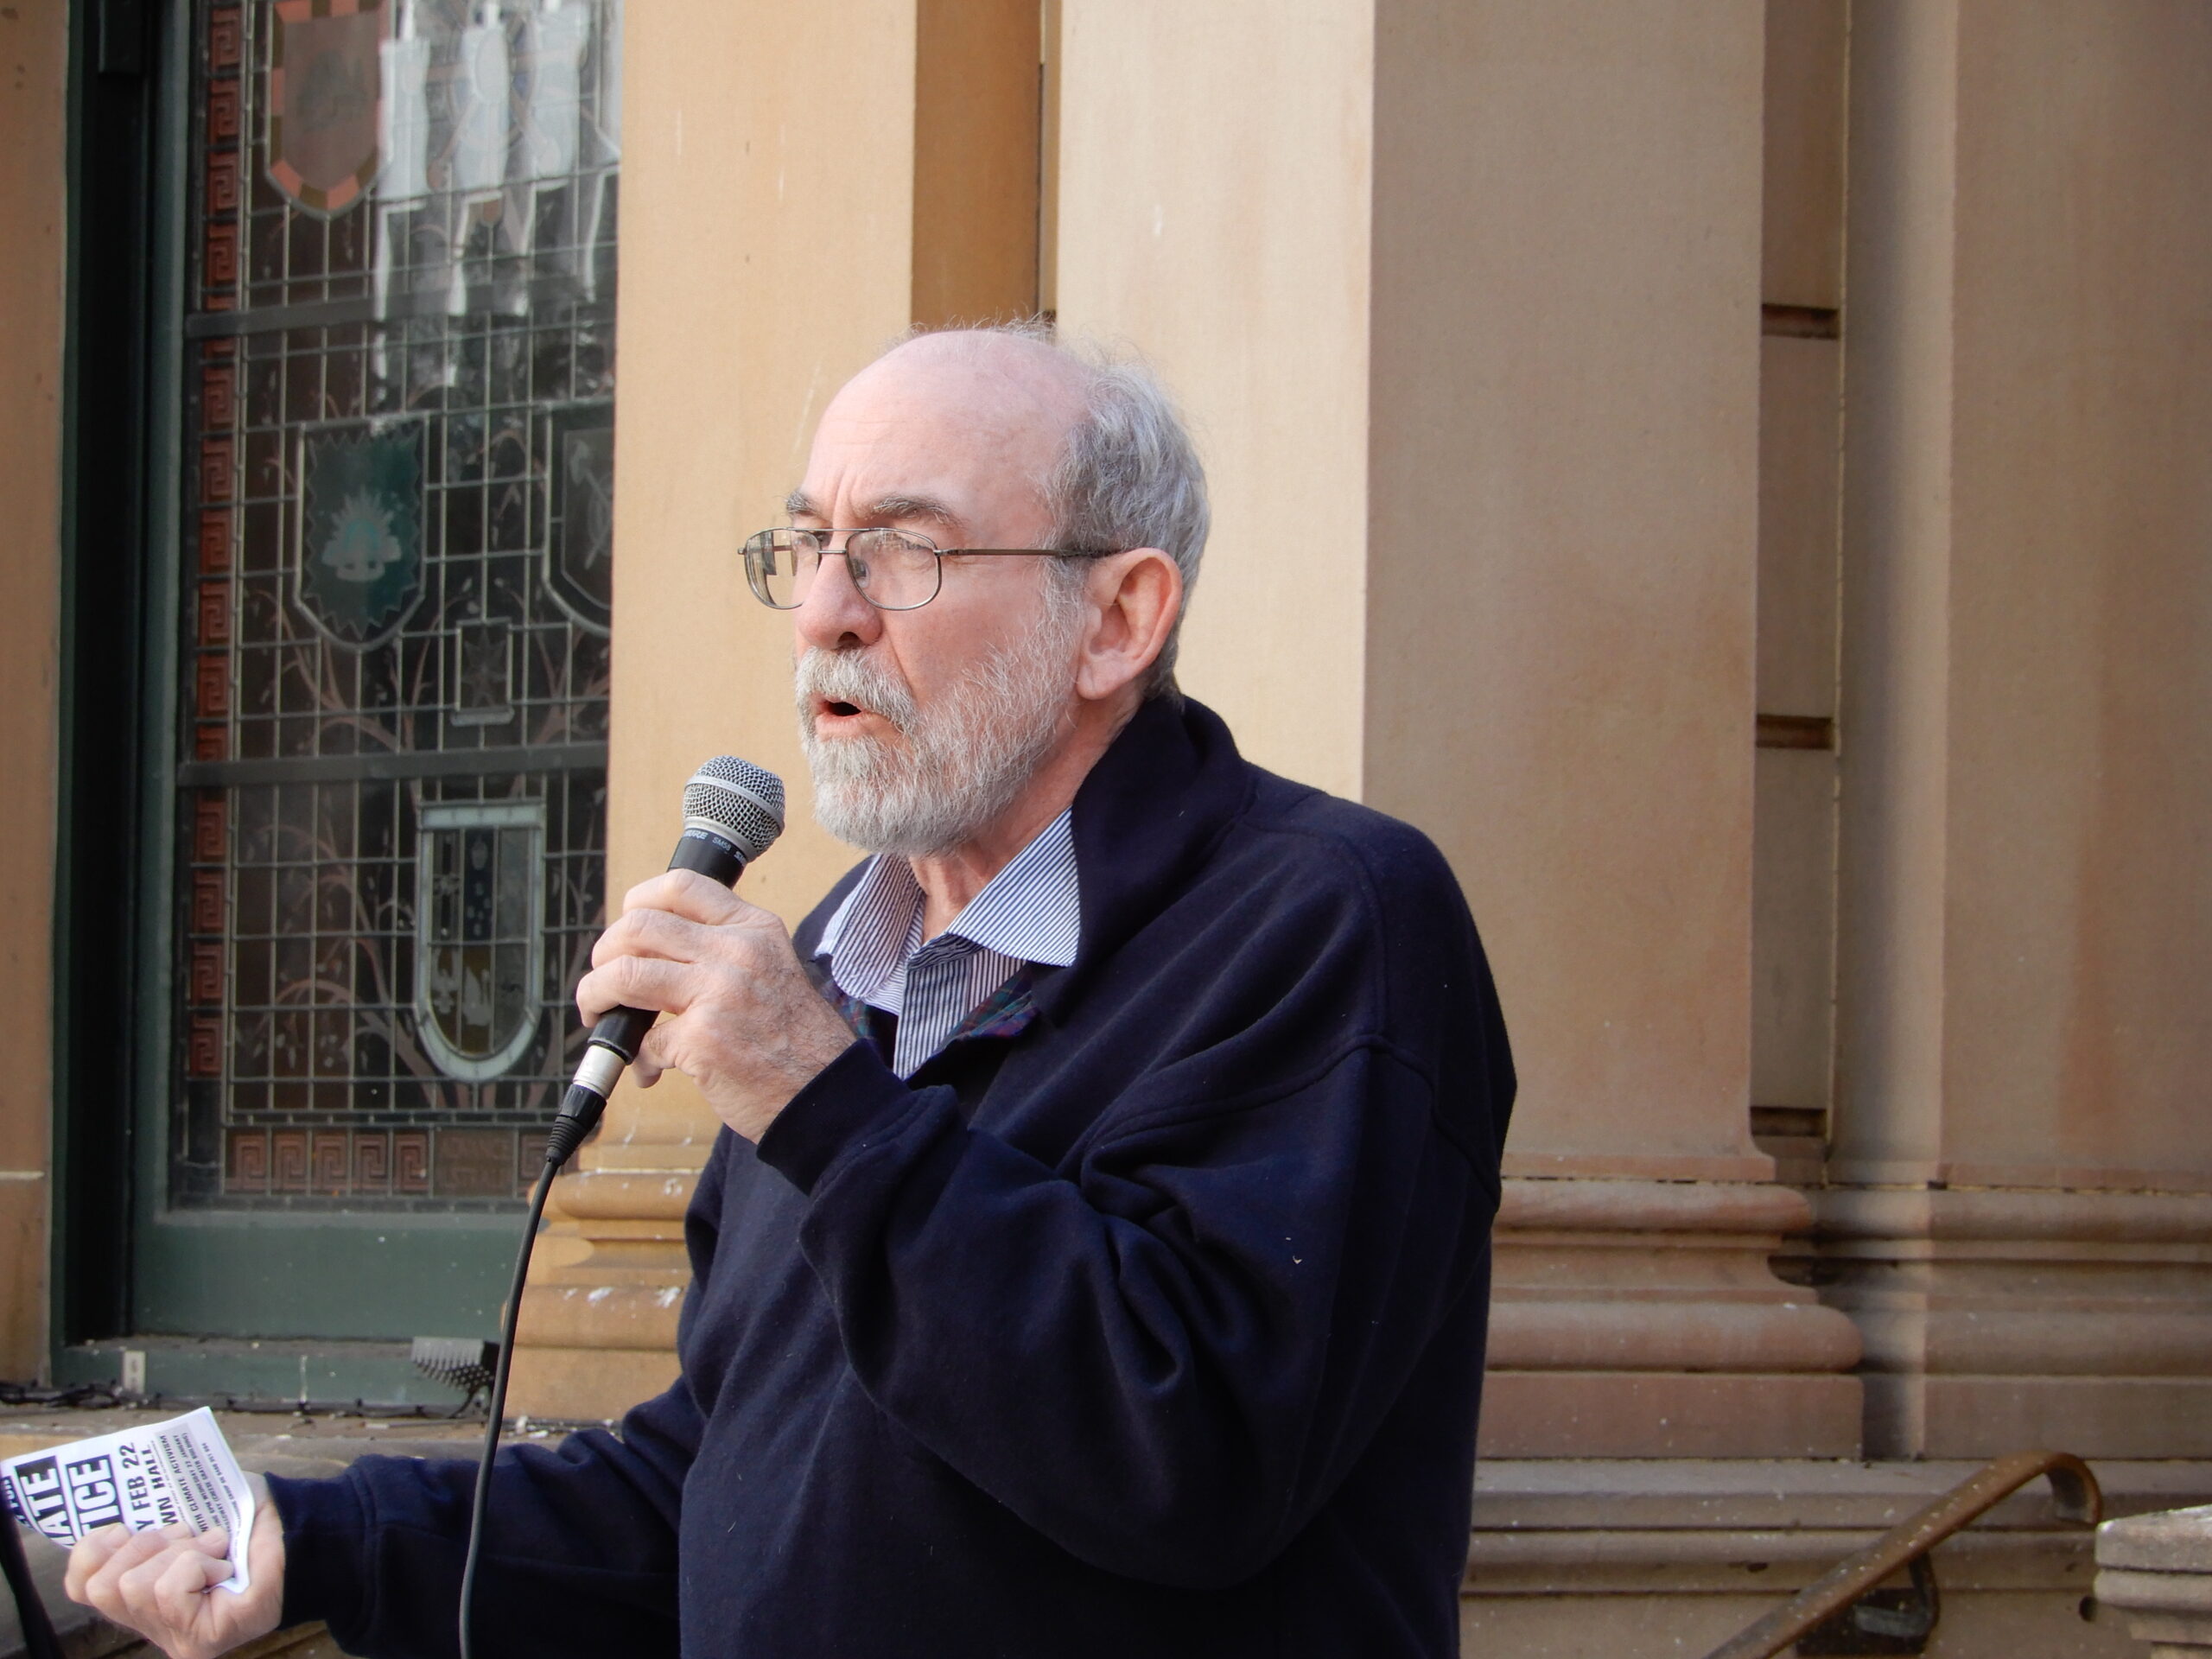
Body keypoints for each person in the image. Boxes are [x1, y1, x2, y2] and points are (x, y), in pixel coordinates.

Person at [66, 326, 1514, 1659]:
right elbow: (716, 1491)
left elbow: (1191, 1451)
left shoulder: (1327, 920)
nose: (824, 612)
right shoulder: (838, 966)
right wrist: (322, 1544)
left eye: (903, 551)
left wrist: (825, 1105)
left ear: (1118, 619)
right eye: (812, 544)